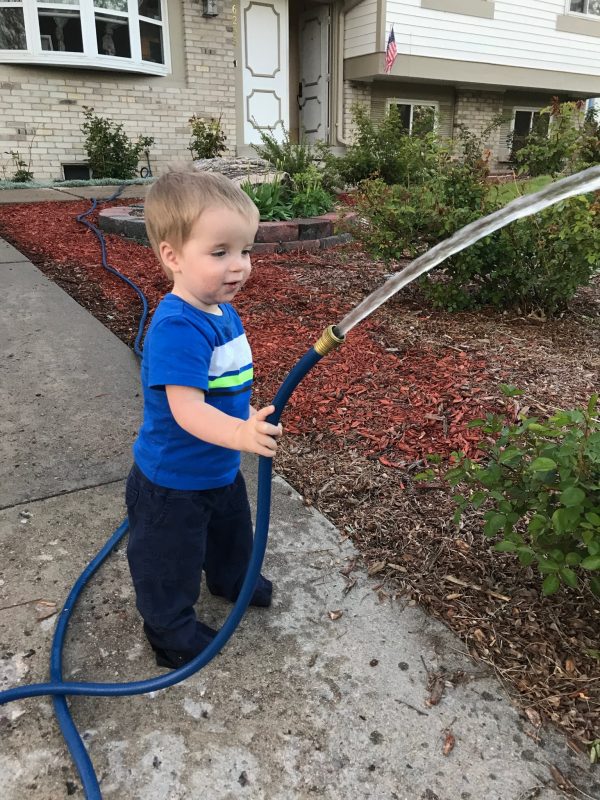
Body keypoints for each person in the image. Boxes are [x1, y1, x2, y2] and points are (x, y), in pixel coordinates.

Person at [125, 167, 283, 669]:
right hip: (172, 483)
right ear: (173, 256)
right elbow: (187, 408)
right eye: (220, 253)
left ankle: (231, 579)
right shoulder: (177, 326)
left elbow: (223, 385)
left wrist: (243, 418)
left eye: (245, 250)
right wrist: (238, 432)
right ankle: (170, 632)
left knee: (232, 531)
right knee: (168, 561)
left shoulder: (220, 308)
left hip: (216, 467)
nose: (238, 266)